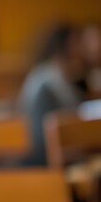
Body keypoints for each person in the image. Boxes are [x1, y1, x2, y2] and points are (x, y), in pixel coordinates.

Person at [18, 24, 89, 166]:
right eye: (76, 42)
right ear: (63, 46)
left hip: (66, 152)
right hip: (43, 162)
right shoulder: (45, 82)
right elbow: (40, 138)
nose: (81, 48)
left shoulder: (65, 77)